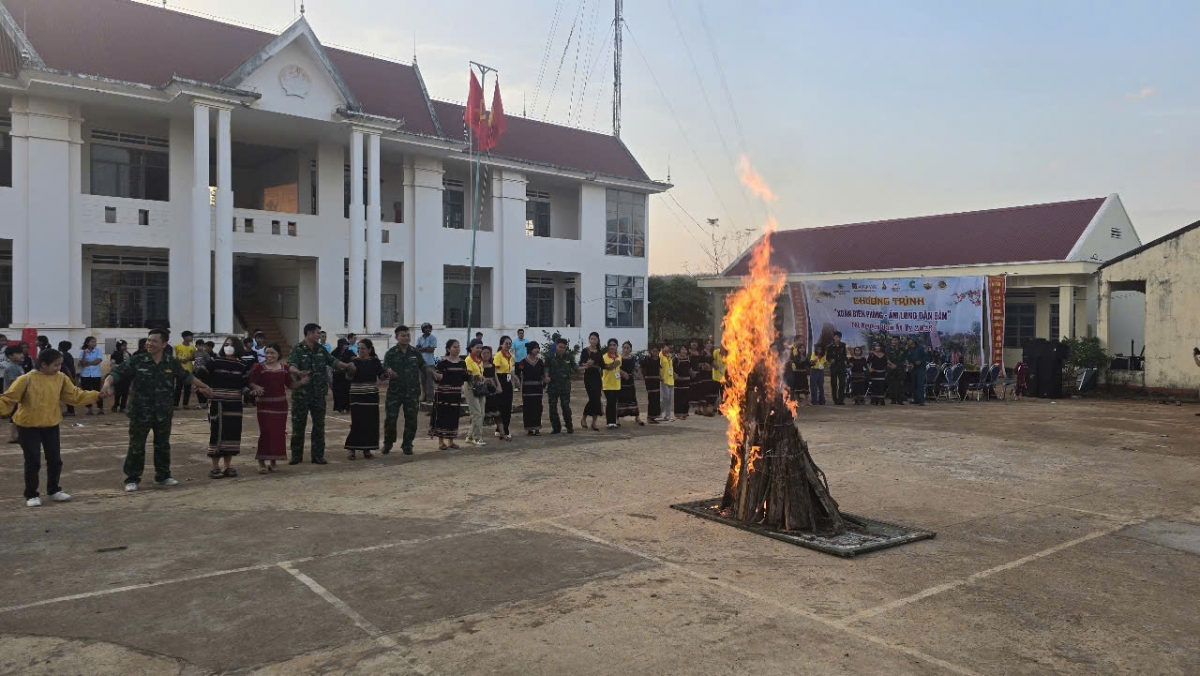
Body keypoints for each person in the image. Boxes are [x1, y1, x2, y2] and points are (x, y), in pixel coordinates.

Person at [102, 328, 212, 491]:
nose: (149, 343)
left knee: (162, 444)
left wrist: (205, 386)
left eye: (154, 341)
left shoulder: (171, 362)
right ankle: (132, 478)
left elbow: (186, 377)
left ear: (163, 344)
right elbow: (117, 372)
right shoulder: (138, 360)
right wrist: (107, 384)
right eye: (148, 340)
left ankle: (163, 476)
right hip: (140, 411)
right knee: (137, 445)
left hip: (163, 412)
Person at [0, 348, 101, 506]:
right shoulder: (25, 379)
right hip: (28, 426)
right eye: (56, 365)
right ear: (44, 364)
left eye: (60, 365)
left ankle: (54, 490)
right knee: (33, 461)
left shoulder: (60, 378)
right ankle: (31, 494)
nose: (59, 368)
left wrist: (96, 395)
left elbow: (74, 395)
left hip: (51, 425)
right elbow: (8, 399)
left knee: (55, 460)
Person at [288, 323, 337, 465]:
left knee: (319, 426)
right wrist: (298, 372)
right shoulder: (297, 349)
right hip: (301, 395)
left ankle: (318, 456)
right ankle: (296, 456)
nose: (319, 335)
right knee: (298, 426)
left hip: (319, 395)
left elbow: (332, 361)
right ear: (309, 333)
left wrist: (345, 366)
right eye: (317, 332)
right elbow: (291, 365)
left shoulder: (321, 349)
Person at [202, 336, 251, 479]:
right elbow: (200, 375)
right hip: (217, 403)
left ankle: (228, 466)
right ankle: (215, 467)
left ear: (237, 348)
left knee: (232, 433)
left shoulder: (242, 366)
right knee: (217, 433)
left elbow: (245, 384)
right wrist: (203, 389)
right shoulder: (215, 362)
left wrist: (251, 390)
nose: (228, 347)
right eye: (226, 344)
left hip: (235, 404)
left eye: (231, 345)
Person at [249, 344, 296, 473]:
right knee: (266, 432)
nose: (269, 355)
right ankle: (261, 462)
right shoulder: (259, 367)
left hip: (281, 406)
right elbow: (251, 382)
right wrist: (255, 388)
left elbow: (291, 384)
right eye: (267, 353)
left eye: (272, 353)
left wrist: (303, 381)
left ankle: (273, 462)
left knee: (278, 433)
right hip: (264, 406)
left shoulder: (284, 368)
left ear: (278, 355)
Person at [336, 338, 385, 459]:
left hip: (371, 396)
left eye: (362, 348)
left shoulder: (375, 361)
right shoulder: (353, 362)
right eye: (358, 348)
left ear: (369, 349)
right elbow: (348, 377)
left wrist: (389, 374)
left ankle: (367, 449)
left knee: (370, 423)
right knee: (357, 422)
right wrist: (350, 371)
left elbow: (382, 376)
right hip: (356, 396)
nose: (360, 350)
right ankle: (351, 449)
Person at [382, 325, 426, 455]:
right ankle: (388, 443)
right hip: (394, 392)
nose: (406, 338)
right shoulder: (390, 353)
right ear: (397, 337)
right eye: (403, 335)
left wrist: (434, 373)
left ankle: (407, 444)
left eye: (408, 335)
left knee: (411, 419)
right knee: (390, 419)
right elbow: (385, 368)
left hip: (412, 392)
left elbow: (423, 366)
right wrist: (388, 371)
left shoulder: (415, 352)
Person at [430, 339, 466, 449]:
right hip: (443, 394)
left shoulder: (462, 363)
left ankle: (451, 441)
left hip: (456, 394)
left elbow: (464, 377)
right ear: (448, 349)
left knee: (453, 417)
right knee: (442, 416)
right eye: (455, 347)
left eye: (458, 347)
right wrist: (436, 375)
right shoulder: (442, 363)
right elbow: (438, 377)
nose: (457, 349)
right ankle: (441, 442)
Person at [544, 338, 575, 434]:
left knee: (565, 406)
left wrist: (586, 366)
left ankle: (569, 426)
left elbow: (575, 367)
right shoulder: (550, 356)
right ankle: (556, 428)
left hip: (565, 385)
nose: (561, 349)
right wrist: (546, 376)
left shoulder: (569, 357)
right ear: (556, 346)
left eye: (564, 347)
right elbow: (546, 367)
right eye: (560, 347)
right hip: (553, 385)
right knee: (552, 407)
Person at [463, 340, 488, 446]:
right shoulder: (468, 360)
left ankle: (469, 436)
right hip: (470, 387)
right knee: (476, 413)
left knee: (481, 413)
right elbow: (468, 376)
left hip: (480, 387)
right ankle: (477, 437)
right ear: (471, 348)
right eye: (477, 347)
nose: (479, 350)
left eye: (480, 348)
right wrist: (477, 377)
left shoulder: (479, 360)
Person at [578, 332, 603, 431]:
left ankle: (594, 422)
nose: (593, 341)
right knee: (592, 398)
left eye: (595, 339)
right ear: (589, 339)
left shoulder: (599, 352)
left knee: (597, 398)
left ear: (597, 340)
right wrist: (587, 364)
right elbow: (581, 363)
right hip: (588, 376)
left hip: (597, 376)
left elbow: (603, 365)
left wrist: (613, 365)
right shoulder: (585, 350)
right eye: (591, 339)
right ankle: (584, 417)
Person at [492, 335, 516, 440]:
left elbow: (510, 371)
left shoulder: (511, 356)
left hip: (508, 382)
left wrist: (515, 379)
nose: (508, 345)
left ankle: (500, 429)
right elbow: (495, 372)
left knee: (507, 406)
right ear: (501, 344)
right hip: (500, 381)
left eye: (510, 343)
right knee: (501, 407)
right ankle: (504, 430)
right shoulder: (498, 355)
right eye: (506, 343)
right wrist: (498, 385)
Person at [521, 342, 546, 435]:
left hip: (537, 388)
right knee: (528, 408)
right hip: (527, 388)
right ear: (530, 349)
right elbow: (520, 375)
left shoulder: (540, 362)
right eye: (535, 348)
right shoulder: (523, 362)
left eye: (538, 347)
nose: (537, 349)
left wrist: (545, 382)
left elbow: (543, 375)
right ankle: (529, 428)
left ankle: (537, 428)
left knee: (537, 408)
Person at [4, 345, 27, 443]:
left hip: (18, 396)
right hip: (13, 396)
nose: (22, 355)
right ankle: (13, 436)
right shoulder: (11, 367)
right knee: (14, 416)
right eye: (18, 353)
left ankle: (17, 435)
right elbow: (15, 383)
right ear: (10, 356)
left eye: (21, 353)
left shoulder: (18, 365)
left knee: (17, 416)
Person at [77, 336, 105, 416]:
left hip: (96, 374)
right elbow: (82, 364)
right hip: (85, 375)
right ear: (87, 343)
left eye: (95, 342)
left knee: (98, 392)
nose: (94, 343)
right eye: (92, 342)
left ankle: (100, 408)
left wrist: (88, 363)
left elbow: (98, 361)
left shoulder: (98, 351)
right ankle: (90, 409)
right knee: (87, 393)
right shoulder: (82, 352)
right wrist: (85, 354)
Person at [618, 341, 643, 425]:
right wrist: (622, 373)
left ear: (630, 349)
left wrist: (639, 375)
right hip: (621, 381)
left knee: (633, 398)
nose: (626, 349)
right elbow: (616, 368)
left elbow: (635, 368)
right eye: (624, 347)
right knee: (620, 399)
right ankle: (617, 418)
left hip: (630, 381)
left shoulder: (633, 358)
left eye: (627, 348)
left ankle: (637, 417)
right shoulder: (618, 357)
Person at [601, 339, 623, 429]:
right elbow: (608, 367)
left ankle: (613, 421)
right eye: (610, 345)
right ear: (608, 346)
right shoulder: (604, 357)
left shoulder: (619, 357)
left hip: (616, 383)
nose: (612, 347)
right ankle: (609, 422)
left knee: (614, 403)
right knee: (610, 402)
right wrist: (615, 363)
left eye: (614, 345)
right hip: (607, 383)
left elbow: (618, 369)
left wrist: (623, 373)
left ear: (617, 346)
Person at [172, 331, 196, 409]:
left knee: (187, 388)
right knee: (178, 388)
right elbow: (174, 357)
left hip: (189, 370)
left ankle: (185, 404)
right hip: (179, 370)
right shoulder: (177, 346)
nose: (191, 338)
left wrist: (189, 358)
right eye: (190, 336)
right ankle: (175, 404)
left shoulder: (192, 347)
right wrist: (180, 360)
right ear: (185, 337)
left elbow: (194, 357)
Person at [330, 339, 353, 413]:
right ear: (341, 345)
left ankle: (347, 407)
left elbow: (353, 359)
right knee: (337, 391)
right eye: (345, 344)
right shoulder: (334, 353)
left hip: (346, 375)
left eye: (347, 344)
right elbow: (331, 361)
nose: (346, 345)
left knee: (346, 391)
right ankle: (337, 407)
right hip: (337, 375)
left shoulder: (349, 352)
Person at [417, 323, 438, 402]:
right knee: (422, 381)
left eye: (429, 328)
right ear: (423, 329)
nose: (428, 329)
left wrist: (422, 349)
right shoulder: (419, 338)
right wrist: (426, 348)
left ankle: (430, 397)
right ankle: (424, 396)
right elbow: (417, 349)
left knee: (430, 382)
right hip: (421, 363)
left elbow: (431, 349)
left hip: (430, 363)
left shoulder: (433, 338)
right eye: (426, 328)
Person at [826, 332, 848, 405]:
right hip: (834, 366)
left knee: (842, 383)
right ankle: (835, 399)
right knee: (834, 383)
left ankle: (841, 400)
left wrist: (847, 362)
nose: (837, 338)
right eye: (836, 337)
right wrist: (830, 360)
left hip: (842, 366)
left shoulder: (843, 345)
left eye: (838, 337)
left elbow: (845, 356)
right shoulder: (830, 346)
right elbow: (827, 357)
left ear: (840, 338)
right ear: (833, 337)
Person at [642, 344, 662, 422]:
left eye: (657, 351)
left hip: (657, 381)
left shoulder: (658, 359)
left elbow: (658, 369)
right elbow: (642, 367)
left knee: (656, 398)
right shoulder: (647, 359)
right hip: (649, 381)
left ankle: (654, 416)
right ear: (651, 351)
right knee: (651, 398)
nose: (655, 352)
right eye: (654, 351)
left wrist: (660, 377)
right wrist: (643, 376)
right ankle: (649, 417)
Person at [110, 340, 131, 412]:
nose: (125, 347)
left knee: (125, 392)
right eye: (123, 346)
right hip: (118, 375)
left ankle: (123, 406)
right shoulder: (114, 354)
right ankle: (116, 405)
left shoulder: (128, 354)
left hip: (127, 376)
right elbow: (113, 365)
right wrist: (120, 368)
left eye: (126, 346)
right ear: (119, 346)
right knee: (118, 391)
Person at [907, 337, 929, 406]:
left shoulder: (921, 348)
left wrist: (920, 361)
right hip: (913, 368)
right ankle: (916, 399)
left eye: (909, 340)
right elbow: (909, 358)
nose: (907, 341)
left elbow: (927, 356)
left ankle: (921, 400)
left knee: (920, 384)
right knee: (914, 385)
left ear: (913, 340)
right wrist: (910, 364)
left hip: (920, 369)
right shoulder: (909, 349)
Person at [787, 338, 810, 404]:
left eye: (803, 348)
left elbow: (809, 364)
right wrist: (800, 361)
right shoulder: (796, 356)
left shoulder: (806, 357)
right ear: (798, 349)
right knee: (797, 387)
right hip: (797, 373)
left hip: (804, 373)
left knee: (806, 387)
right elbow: (795, 362)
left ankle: (807, 402)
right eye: (800, 348)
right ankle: (796, 401)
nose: (802, 349)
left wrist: (813, 362)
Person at [57, 341, 77, 417]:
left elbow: (66, 368)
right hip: (69, 376)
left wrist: (71, 377)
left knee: (66, 393)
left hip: (66, 377)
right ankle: (70, 410)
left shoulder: (63, 356)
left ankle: (71, 410)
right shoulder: (69, 355)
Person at [886, 336, 907, 405]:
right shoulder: (889, 349)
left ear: (898, 341)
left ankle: (900, 399)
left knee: (900, 385)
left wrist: (901, 365)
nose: (893, 342)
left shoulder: (903, 349)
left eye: (895, 340)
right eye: (892, 340)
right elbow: (887, 359)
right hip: (892, 369)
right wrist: (892, 365)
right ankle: (893, 399)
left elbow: (905, 359)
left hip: (900, 369)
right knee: (892, 384)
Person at [672, 345, 691, 420]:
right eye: (682, 349)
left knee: (686, 397)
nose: (683, 351)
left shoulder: (688, 359)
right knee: (679, 398)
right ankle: (678, 414)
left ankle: (685, 412)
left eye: (685, 349)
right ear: (679, 351)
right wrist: (674, 375)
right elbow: (671, 368)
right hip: (678, 382)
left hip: (686, 381)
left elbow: (689, 369)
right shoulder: (675, 359)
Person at [659, 343, 675, 422]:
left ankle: (668, 416)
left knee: (669, 399)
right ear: (664, 346)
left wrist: (674, 375)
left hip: (671, 380)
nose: (670, 348)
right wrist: (659, 376)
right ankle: (658, 413)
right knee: (665, 398)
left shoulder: (670, 356)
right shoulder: (660, 355)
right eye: (668, 346)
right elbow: (657, 367)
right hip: (663, 380)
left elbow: (671, 367)